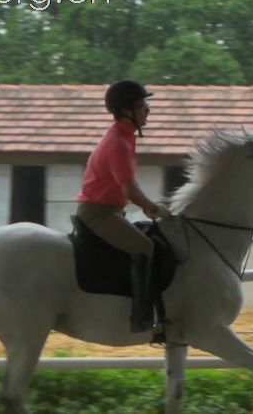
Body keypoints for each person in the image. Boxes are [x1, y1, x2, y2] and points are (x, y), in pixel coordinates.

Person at [75, 79, 171, 333]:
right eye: (141, 105)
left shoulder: (125, 137)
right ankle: (140, 316)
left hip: (110, 210)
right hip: (98, 213)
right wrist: (155, 208)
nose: (147, 110)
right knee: (144, 246)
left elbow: (130, 185)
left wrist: (150, 205)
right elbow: (131, 190)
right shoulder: (118, 142)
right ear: (126, 111)